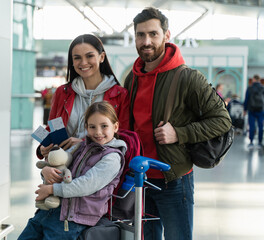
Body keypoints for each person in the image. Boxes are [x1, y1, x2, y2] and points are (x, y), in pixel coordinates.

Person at [124, 7, 232, 240]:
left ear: (166, 35)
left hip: (173, 180)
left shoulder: (188, 77)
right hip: (140, 180)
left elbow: (222, 120)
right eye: (141, 35)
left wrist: (179, 133)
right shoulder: (132, 78)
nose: (147, 41)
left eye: (153, 34)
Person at [17, 101, 127, 240]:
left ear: (115, 126)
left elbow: (86, 184)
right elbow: (58, 163)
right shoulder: (81, 147)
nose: (98, 132)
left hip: (73, 218)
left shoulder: (112, 158)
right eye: (92, 127)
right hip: (51, 210)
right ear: (86, 127)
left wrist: (51, 190)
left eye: (104, 126)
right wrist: (46, 170)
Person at [37, 34, 129, 169]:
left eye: (89, 56)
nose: (83, 62)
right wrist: (42, 149)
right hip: (63, 166)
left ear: (101, 57)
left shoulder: (119, 95)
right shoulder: (62, 92)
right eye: (77, 58)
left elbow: (123, 136)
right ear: (72, 62)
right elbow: (52, 128)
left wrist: (83, 143)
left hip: (99, 168)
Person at [244, 74, 264, 148]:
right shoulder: (262, 88)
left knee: (252, 126)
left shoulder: (250, 88)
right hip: (261, 110)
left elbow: (246, 99)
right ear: (259, 80)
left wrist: (245, 109)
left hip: (251, 110)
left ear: (254, 79)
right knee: (260, 126)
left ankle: (251, 142)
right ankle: (259, 143)